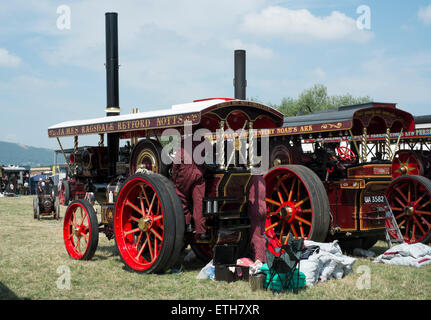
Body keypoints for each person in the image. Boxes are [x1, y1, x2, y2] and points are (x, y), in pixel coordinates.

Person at [172, 134, 208, 241]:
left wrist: (174, 176)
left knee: (180, 196)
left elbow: (176, 162)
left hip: (185, 172)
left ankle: (187, 224)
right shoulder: (203, 142)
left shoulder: (184, 142)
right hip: (199, 173)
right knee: (199, 202)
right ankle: (201, 231)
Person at [247, 174, 267, 263]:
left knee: (256, 236)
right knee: (262, 236)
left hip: (256, 209)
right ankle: (264, 261)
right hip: (263, 207)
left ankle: (259, 260)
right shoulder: (261, 178)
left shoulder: (251, 177)